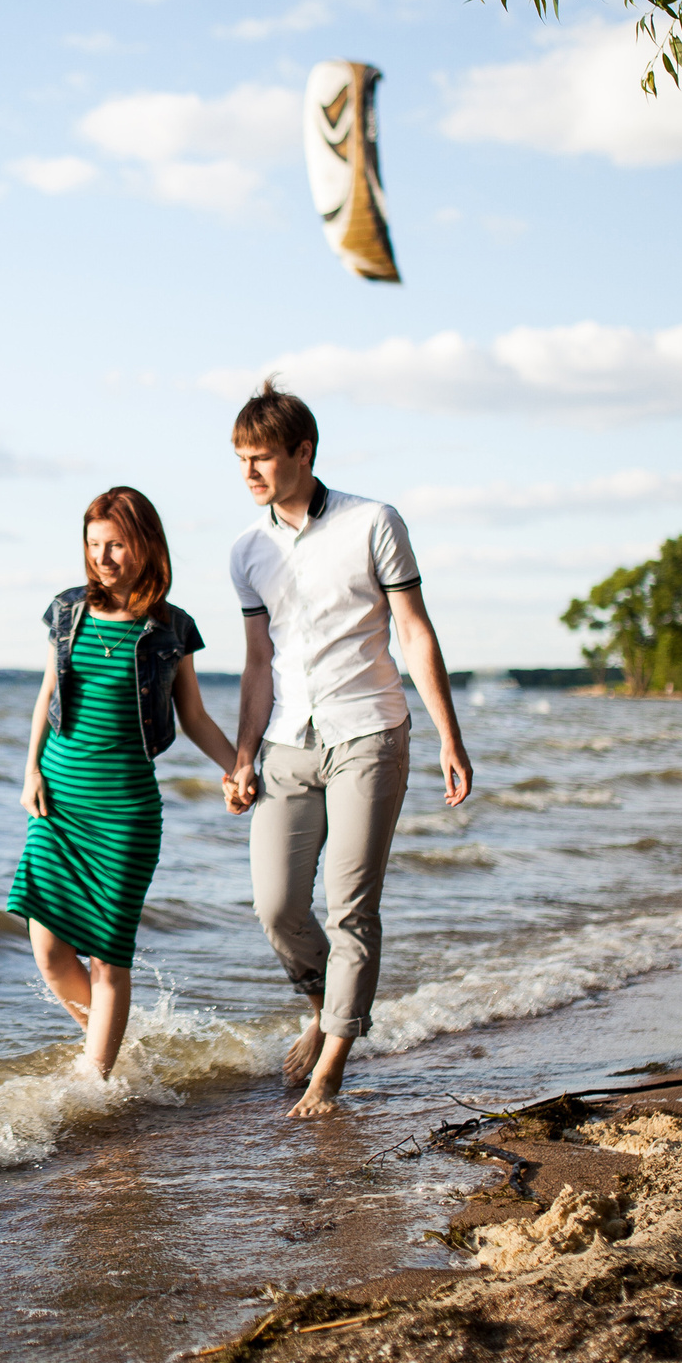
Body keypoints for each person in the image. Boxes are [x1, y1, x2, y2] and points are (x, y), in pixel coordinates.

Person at [221, 379, 473, 1118]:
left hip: (370, 731)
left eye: (262, 457)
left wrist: (449, 736)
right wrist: (243, 756)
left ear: (303, 451)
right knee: (276, 907)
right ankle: (324, 1006)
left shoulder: (373, 522)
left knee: (351, 909)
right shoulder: (247, 550)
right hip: (287, 743)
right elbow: (258, 663)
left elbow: (415, 632)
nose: (250, 472)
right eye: (240, 459)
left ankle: (331, 1067)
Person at [14, 486, 242, 1080]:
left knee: (108, 957)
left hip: (125, 810)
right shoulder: (67, 610)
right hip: (59, 799)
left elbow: (194, 717)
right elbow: (47, 694)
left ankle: (97, 1081)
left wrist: (238, 765)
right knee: (48, 949)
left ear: (144, 544)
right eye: (94, 545)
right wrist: (31, 769)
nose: (102, 557)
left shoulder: (171, 627)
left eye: (115, 544)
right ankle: (113, 1048)